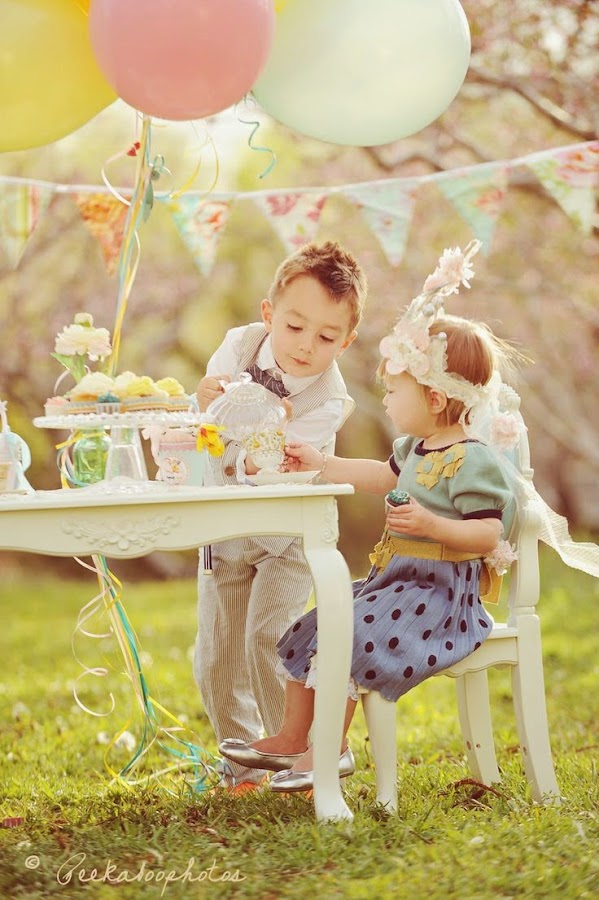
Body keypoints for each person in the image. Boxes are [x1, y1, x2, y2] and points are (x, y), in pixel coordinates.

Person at [218, 240, 524, 791]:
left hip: (440, 600)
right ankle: (292, 735)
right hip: (396, 586)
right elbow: (379, 475)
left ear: (433, 398)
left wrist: (433, 528)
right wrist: (323, 461)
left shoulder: (472, 460)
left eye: (394, 389)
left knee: (347, 634)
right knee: (309, 628)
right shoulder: (414, 451)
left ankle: (328, 747)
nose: (384, 399)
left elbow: (487, 533)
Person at [193, 240, 368, 792]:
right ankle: (243, 765)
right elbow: (208, 432)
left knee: (268, 637)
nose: (305, 346)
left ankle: (292, 752)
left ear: (346, 341)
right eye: (294, 327)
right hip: (226, 525)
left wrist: (246, 436)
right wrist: (205, 401)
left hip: (288, 532)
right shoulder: (237, 346)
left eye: (325, 337)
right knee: (218, 652)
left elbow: (277, 465)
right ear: (269, 314)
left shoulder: (329, 399)